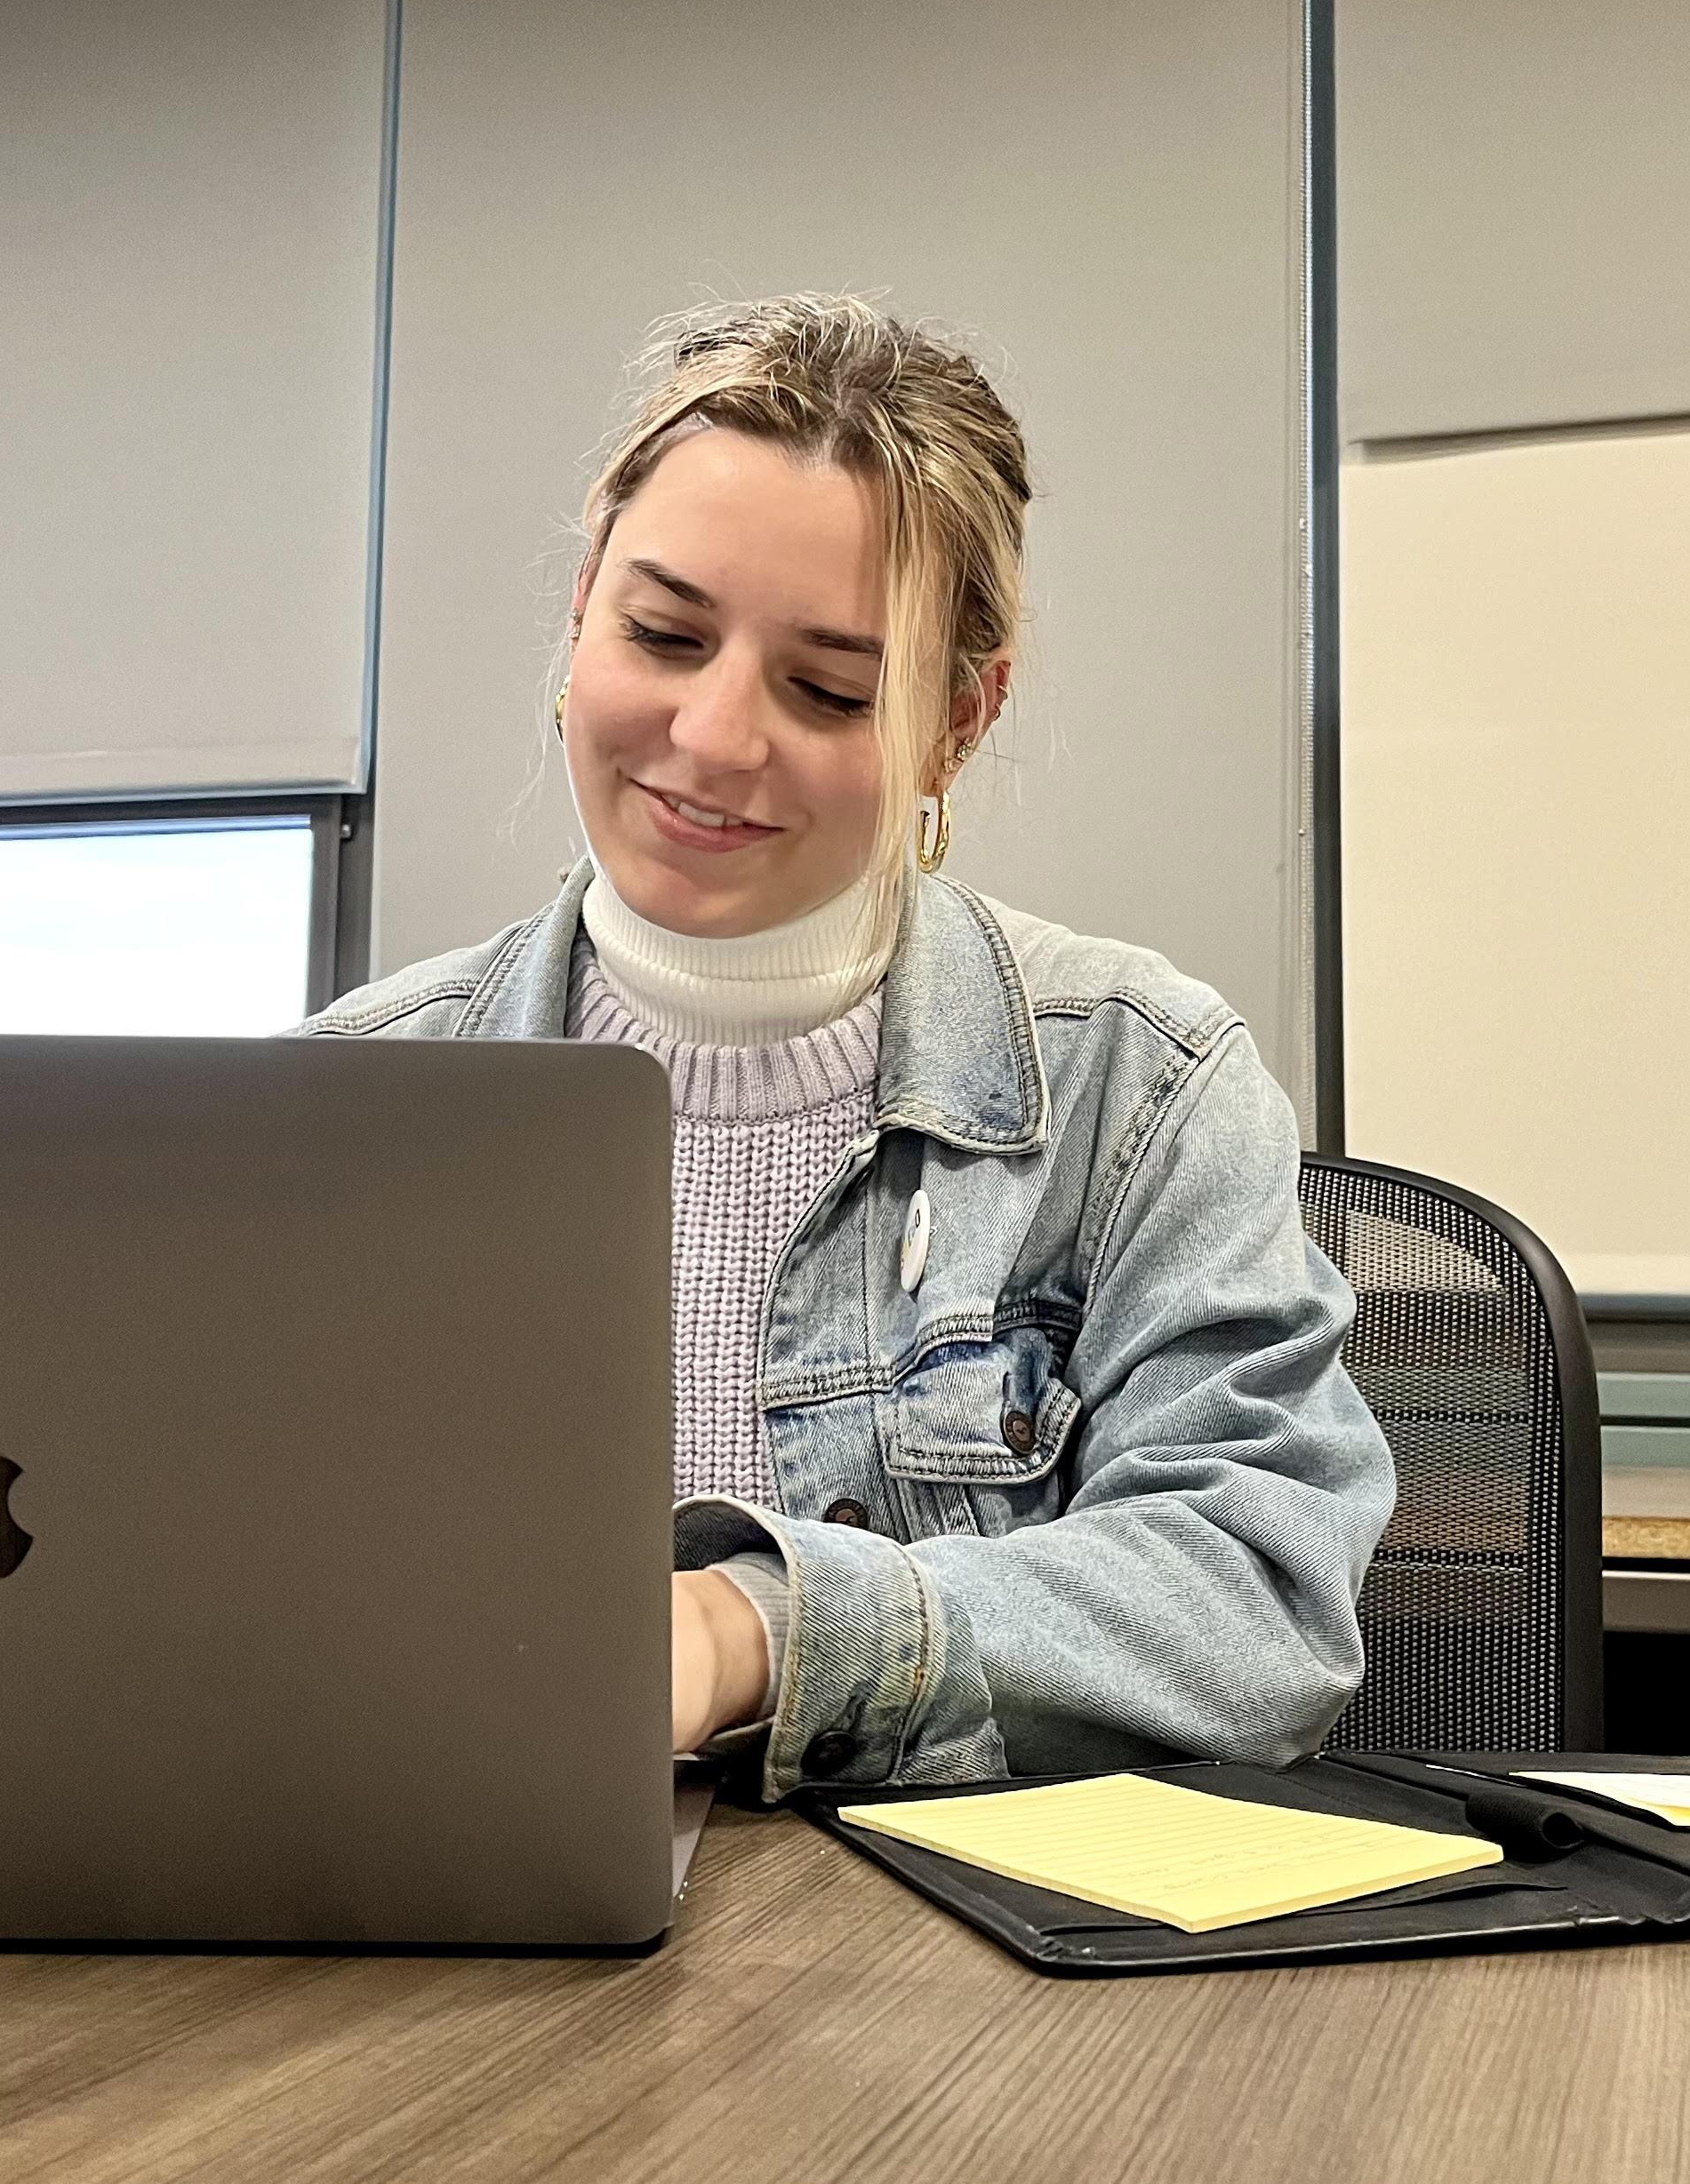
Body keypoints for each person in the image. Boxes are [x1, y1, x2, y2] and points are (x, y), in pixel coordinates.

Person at [308, 295, 1394, 1800]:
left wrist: (756, 1629)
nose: (711, 736)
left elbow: (1253, 1600)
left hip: (943, 1989)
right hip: (453, 1931)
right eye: (661, 632)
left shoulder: (1133, 1084)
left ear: (955, 722)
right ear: (578, 613)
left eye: (829, 689)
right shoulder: (346, 1101)